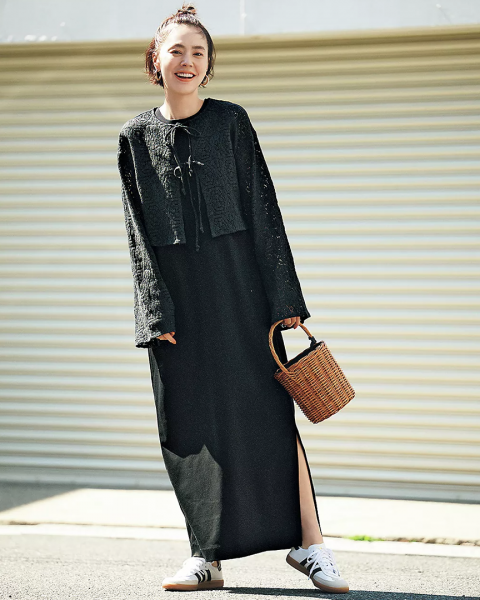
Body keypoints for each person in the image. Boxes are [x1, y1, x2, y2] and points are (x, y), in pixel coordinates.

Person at [117, 3, 349, 594]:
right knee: (189, 423)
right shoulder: (134, 137)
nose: (187, 61)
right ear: (155, 60)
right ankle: (206, 556)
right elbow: (136, 231)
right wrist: (154, 310)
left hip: (241, 289)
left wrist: (284, 297)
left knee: (270, 415)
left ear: (209, 64)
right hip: (177, 301)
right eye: (176, 50)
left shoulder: (231, 122)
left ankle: (311, 546)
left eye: (198, 52)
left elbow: (264, 208)